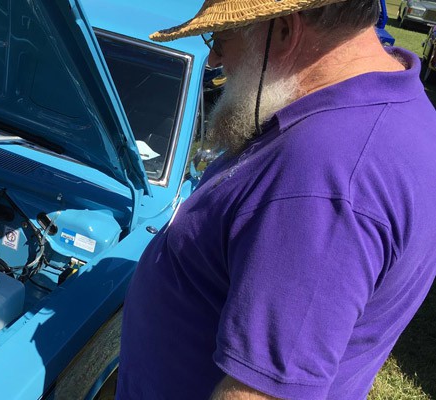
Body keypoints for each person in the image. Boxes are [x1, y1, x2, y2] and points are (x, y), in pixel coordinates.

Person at [117, 0, 436, 399]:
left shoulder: (325, 174)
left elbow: (262, 393)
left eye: (221, 38)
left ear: (285, 30)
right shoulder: (399, 107)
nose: (215, 59)